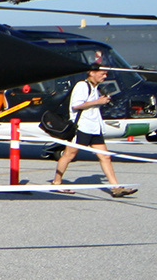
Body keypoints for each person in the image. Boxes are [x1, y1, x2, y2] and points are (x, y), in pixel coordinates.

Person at [52, 65, 136, 197]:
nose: (105, 76)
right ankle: (57, 182)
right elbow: (76, 105)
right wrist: (98, 101)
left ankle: (116, 187)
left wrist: (101, 101)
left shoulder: (95, 88)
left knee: (105, 156)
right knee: (69, 155)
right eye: (102, 74)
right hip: (82, 127)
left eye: (106, 74)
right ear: (92, 73)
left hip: (94, 128)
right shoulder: (82, 85)